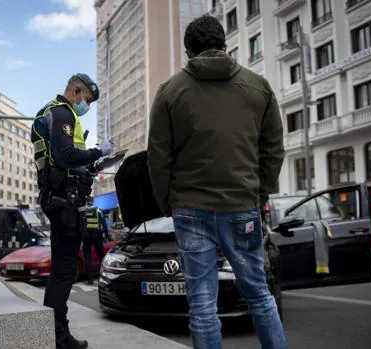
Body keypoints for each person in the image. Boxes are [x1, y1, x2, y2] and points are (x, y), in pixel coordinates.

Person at [147, 15, 287, 349]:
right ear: (225, 46)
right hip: (241, 205)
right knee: (259, 294)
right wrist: (261, 191)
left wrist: (168, 202)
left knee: (202, 304)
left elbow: (157, 155)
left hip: (190, 209)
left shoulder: (170, 91)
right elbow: (273, 148)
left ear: (188, 52)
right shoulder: (258, 87)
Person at [31, 73, 113, 349]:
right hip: (63, 200)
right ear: (76, 90)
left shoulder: (50, 113)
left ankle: (56, 333)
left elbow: (63, 161)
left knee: (61, 271)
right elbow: (66, 156)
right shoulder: (62, 113)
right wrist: (97, 152)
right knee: (64, 272)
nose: (86, 105)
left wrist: (91, 166)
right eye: (87, 99)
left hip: (60, 196)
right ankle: (58, 337)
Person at [83, 197, 109, 285]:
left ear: (86, 202)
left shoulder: (83, 211)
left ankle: (90, 280)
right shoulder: (98, 210)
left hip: (86, 236)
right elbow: (104, 225)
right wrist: (106, 236)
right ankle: (103, 276)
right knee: (101, 256)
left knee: (87, 258)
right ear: (93, 201)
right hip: (97, 235)